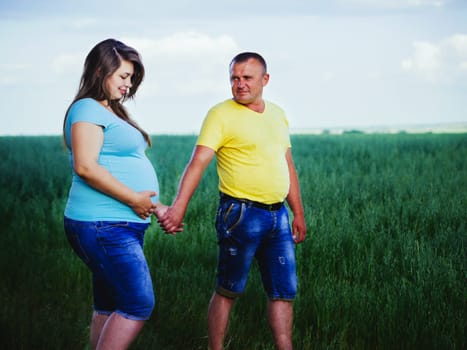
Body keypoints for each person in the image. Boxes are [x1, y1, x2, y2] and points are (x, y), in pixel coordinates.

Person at [158, 52, 307, 350]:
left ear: (265, 80)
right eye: (234, 78)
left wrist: (298, 214)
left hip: (278, 218)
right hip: (240, 215)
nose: (239, 84)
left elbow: (287, 164)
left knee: (283, 291)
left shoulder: (277, 114)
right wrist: (178, 208)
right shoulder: (220, 114)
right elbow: (197, 162)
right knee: (228, 289)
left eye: (247, 78)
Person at [62, 38, 179, 350]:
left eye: (131, 78)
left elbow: (118, 166)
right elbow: (86, 167)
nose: (128, 85)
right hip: (104, 225)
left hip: (113, 224)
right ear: (102, 70)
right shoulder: (87, 107)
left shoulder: (108, 110)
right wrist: (134, 200)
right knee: (138, 304)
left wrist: (156, 207)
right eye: (124, 76)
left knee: (110, 303)